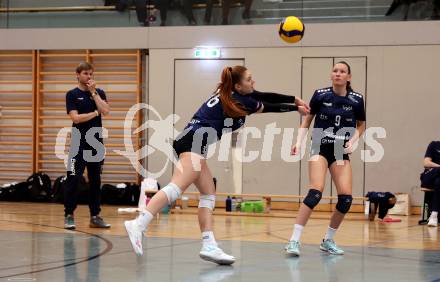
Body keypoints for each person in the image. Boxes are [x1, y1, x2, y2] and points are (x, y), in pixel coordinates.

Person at [124, 65, 310, 264]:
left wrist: (293, 99)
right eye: (249, 80)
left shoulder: (230, 92)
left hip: (193, 142)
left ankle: (209, 245)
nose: (253, 82)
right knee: (176, 188)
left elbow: (263, 95)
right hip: (193, 141)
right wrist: (295, 108)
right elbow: (268, 107)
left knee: (208, 194)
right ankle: (139, 224)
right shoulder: (241, 101)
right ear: (238, 86)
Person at [287, 61, 366, 256]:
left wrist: (354, 140)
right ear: (331, 75)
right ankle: (293, 241)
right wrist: (298, 142)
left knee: (346, 199)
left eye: (342, 71)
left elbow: (361, 124)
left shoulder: (357, 99)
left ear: (349, 77)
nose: (338, 74)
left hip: (341, 150)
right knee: (315, 192)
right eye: (335, 71)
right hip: (320, 147)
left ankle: (328, 240)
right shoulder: (320, 95)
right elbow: (307, 120)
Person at [64, 62, 111, 230]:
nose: (89, 77)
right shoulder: (72, 95)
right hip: (77, 142)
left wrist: (94, 93)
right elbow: (76, 119)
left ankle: (95, 216)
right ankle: (69, 214)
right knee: (73, 179)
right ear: (77, 75)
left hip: (96, 143)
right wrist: (95, 113)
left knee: (95, 180)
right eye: (85, 74)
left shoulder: (99, 93)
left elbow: (105, 110)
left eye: (91, 74)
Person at [420, 141, 440, 227]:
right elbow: (426, 163)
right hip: (429, 176)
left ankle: (434, 215)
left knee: (439, 181)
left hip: (437, 181)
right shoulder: (434, 145)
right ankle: (434, 215)